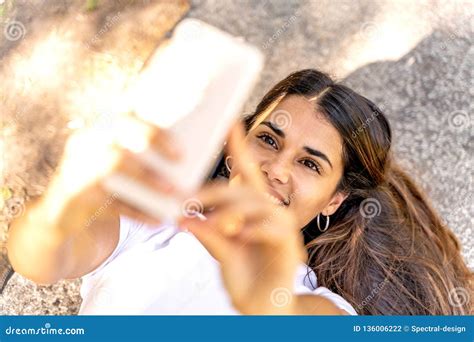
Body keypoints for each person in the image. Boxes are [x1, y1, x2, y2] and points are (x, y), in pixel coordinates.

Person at [8, 69, 472, 315]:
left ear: (334, 200)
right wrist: (62, 203)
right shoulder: (154, 225)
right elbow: (41, 260)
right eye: (268, 139)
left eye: (310, 163)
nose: (274, 168)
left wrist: (271, 309)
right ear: (237, 150)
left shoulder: (319, 307)